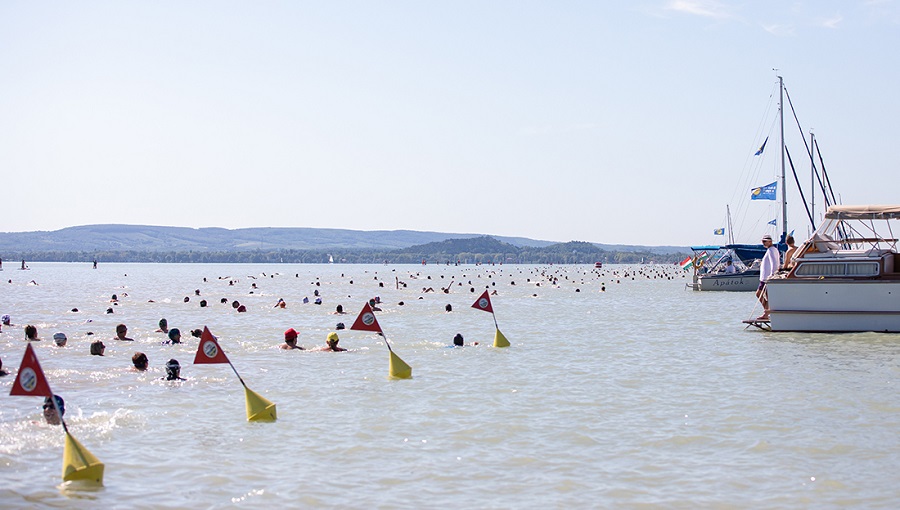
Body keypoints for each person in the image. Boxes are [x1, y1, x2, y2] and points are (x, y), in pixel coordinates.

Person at [756, 234, 781, 320]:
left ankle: (766, 313)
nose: (763, 243)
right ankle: (767, 312)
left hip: (766, 278)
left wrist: (772, 275)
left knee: (759, 293)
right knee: (767, 295)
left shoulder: (771, 250)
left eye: (765, 241)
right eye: (763, 241)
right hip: (765, 278)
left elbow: (774, 263)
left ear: (770, 241)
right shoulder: (772, 250)